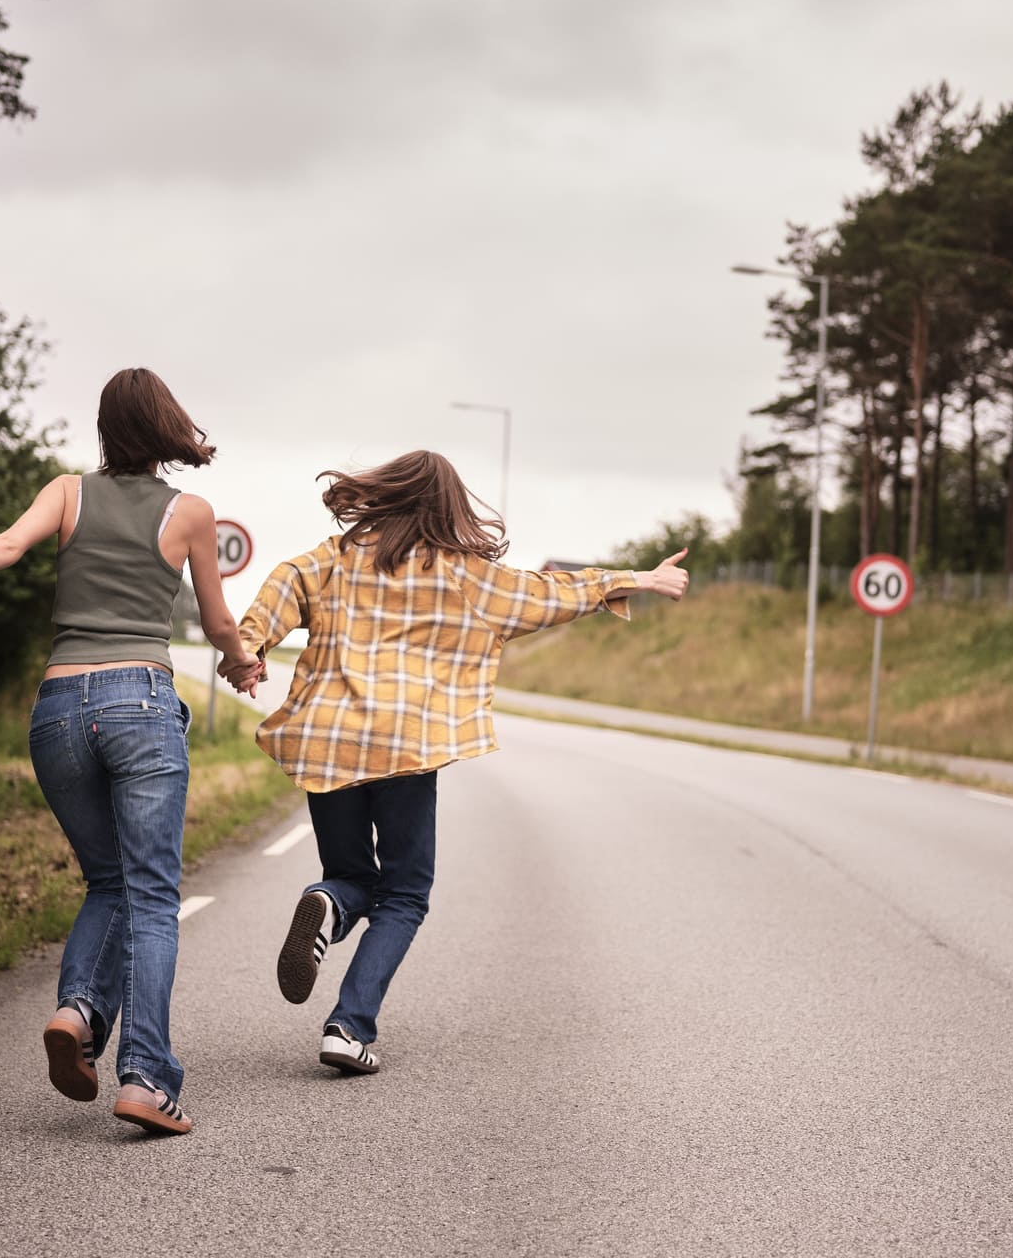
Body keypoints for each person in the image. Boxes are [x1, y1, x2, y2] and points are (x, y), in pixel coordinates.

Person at [0, 368, 254, 1136]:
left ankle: (79, 1011)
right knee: (150, 895)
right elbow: (214, 623)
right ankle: (145, 1078)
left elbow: (10, 545)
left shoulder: (68, 492)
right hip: (139, 702)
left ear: (108, 428)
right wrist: (242, 663)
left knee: (107, 880)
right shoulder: (191, 512)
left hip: (57, 712)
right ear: (168, 427)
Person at [222, 450, 688, 1075]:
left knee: (352, 875)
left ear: (384, 492)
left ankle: (328, 904)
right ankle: (348, 1026)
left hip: (328, 741)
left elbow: (281, 587)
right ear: (446, 506)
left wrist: (249, 649)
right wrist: (637, 579)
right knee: (406, 893)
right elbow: (546, 593)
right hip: (407, 748)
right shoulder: (466, 577)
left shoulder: (328, 561)